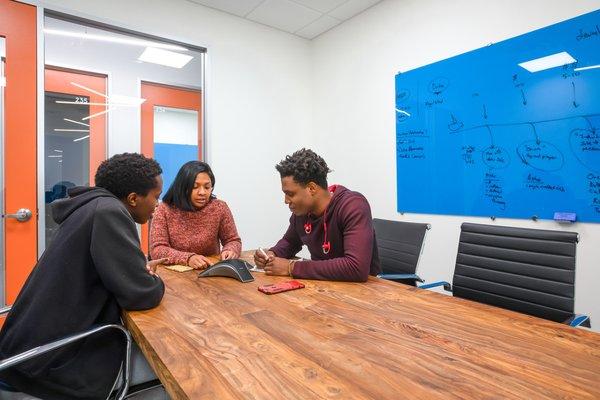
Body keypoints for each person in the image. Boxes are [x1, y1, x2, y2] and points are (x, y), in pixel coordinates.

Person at [0, 153, 166, 399]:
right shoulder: (109, 213)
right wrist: (154, 280)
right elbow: (141, 295)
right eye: (156, 197)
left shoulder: (90, 206)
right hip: (46, 364)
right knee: (163, 369)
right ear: (133, 198)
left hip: (25, 352)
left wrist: (136, 271)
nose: (158, 205)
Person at [254, 148, 380, 282]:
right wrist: (272, 254)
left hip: (365, 295)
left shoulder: (353, 206)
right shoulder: (302, 212)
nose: (286, 201)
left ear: (312, 188)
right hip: (323, 290)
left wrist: (291, 267)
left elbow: (356, 268)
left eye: (290, 194)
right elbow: (290, 241)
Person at [150, 161, 241, 269]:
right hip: (174, 276)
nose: (202, 192)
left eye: (207, 187)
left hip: (210, 271)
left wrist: (230, 250)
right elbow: (157, 249)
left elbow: (233, 240)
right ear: (182, 187)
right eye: (195, 187)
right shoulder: (164, 209)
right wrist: (188, 258)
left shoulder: (219, 207)